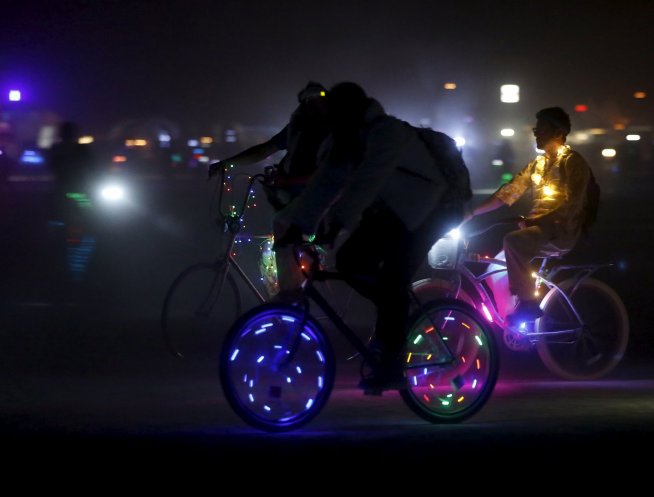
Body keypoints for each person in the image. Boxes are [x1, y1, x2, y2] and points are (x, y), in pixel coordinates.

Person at [274, 81, 462, 393]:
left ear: (351, 111)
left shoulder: (387, 134)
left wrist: (336, 223)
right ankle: (394, 312)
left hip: (433, 210)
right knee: (350, 262)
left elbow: (366, 183)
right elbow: (325, 183)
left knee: (392, 279)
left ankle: (392, 361)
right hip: (395, 212)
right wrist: (297, 224)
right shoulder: (349, 138)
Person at [464, 107, 592, 325]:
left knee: (512, 241)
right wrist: (471, 212)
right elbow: (508, 192)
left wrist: (538, 220)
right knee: (494, 268)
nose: (535, 133)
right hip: (540, 230)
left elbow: (573, 204)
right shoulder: (538, 164)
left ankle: (528, 306)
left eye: (541, 129)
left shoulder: (573, 163)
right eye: (536, 128)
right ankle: (510, 323)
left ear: (558, 133)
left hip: (561, 232)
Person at [208, 81, 331, 208]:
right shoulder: (296, 130)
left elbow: (329, 172)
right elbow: (265, 150)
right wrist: (227, 164)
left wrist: (288, 181)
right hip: (293, 198)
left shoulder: (337, 132)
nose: (315, 107)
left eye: (319, 102)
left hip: (321, 201)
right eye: (310, 102)